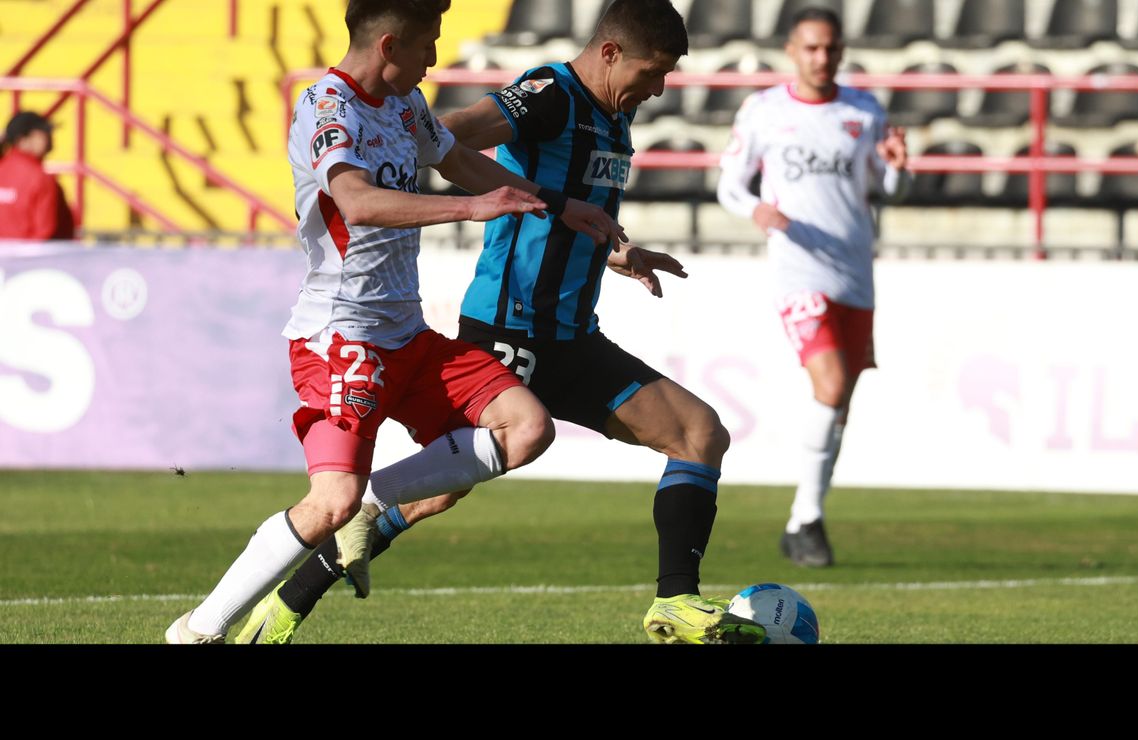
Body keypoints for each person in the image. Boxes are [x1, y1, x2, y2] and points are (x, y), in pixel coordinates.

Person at [235, 0, 765, 645]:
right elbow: (447, 138)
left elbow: (571, 204)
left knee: (699, 434)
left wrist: (617, 250)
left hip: (571, 335)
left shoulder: (612, 114)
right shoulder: (547, 96)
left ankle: (676, 604)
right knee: (432, 490)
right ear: (610, 52)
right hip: (509, 330)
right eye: (653, 72)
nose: (659, 89)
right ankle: (290, 596)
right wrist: (442, 181)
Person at [165, 0, 625, 644]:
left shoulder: (405, 106)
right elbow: (355, 200)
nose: (435, 59)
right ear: (388, 45)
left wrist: (557, 204)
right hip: (341, 339)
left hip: (407, 335)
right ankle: (198, 632)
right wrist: (467, 212)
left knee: (525, 429)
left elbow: (461, 162)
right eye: (427, 44)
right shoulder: (327, 107)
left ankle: (372, 505)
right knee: (330, 503)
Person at [717, 7, 909, 567]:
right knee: (829, 382)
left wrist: (900, 169)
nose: (821, 58)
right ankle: (807, 520)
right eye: (811, 48)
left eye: (830, 49)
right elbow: (730, 183)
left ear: (842, 52)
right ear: (792, 51)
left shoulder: (863, 110)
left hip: (854, 271)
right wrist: (757, 209)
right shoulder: (764, 110)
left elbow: (886, 187)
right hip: (798, 268)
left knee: (840, 399)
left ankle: (806, 520)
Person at [0, 111, 74, 241]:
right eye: (44, 133)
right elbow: (44, 232)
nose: (51, 137)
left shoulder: (4, 168)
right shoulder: (40, 178)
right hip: (31, 259)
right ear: (22, 139)